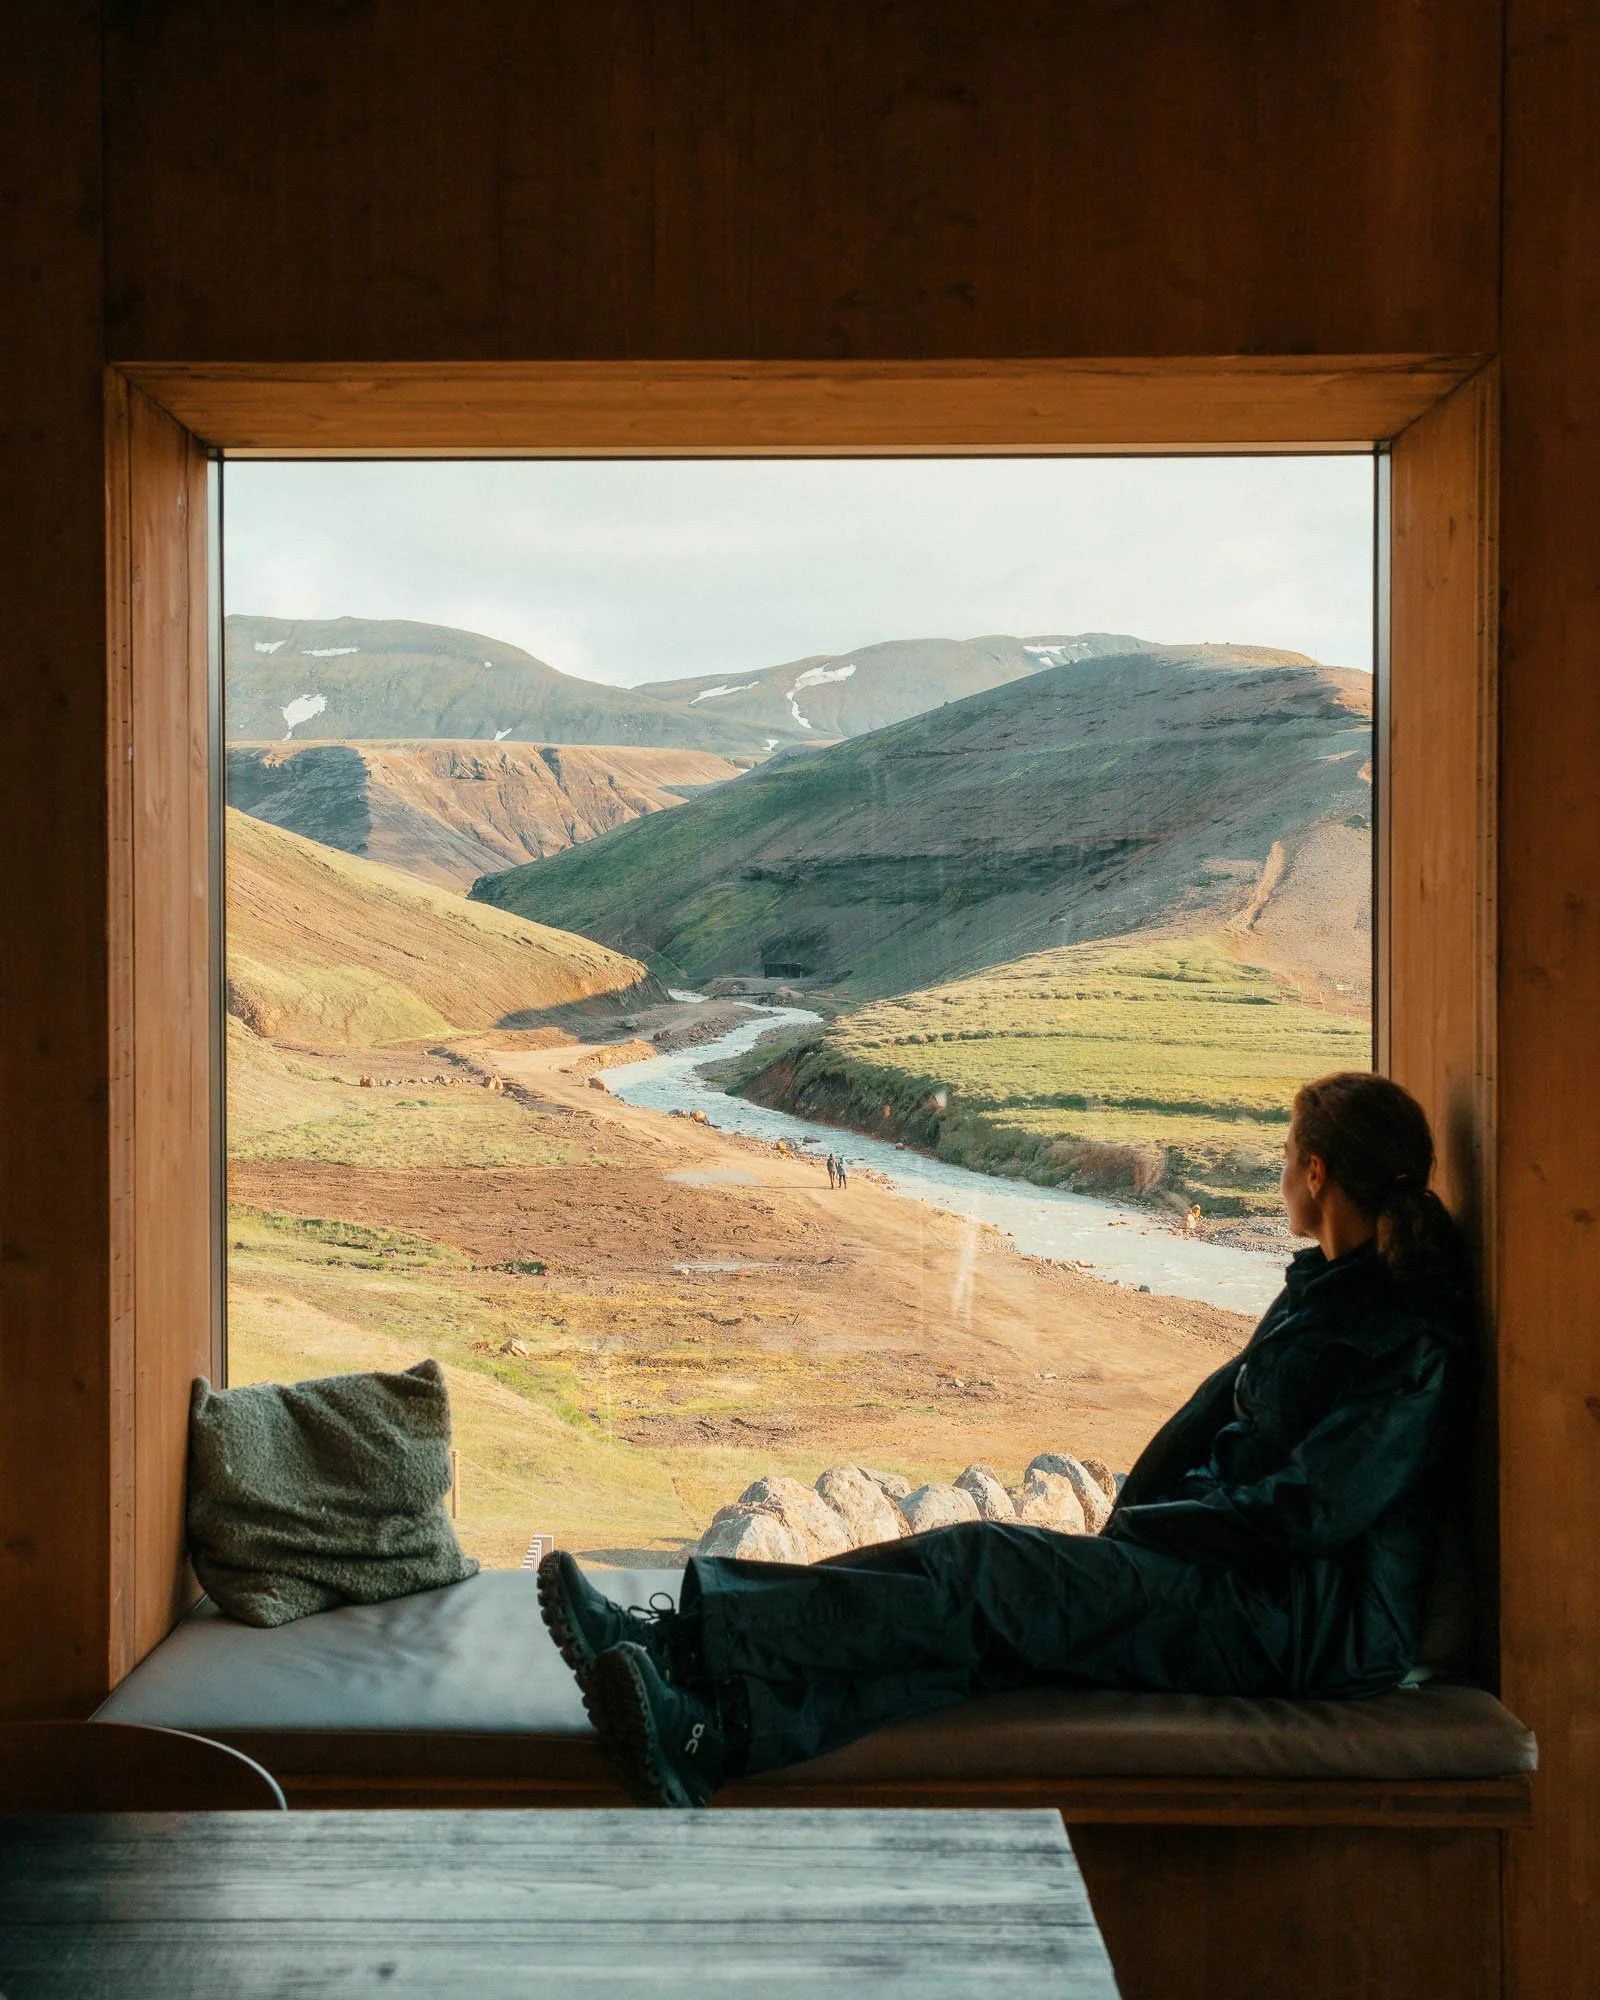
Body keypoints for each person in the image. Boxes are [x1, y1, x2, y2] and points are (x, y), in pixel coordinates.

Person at [539, 1071, 1474, 1807]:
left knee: (980, 1567)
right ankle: (711, 1733)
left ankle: (683, 1646)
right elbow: (1234, 1429)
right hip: (1259, 1590)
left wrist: (1158, 1532)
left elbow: (1313, 1508)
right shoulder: (1335, 1291)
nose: (1279, 1177)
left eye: (1284, 1157)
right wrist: (1151, 1523)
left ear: (1315, 1173)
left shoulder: (1407, 1332)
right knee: (978, 1641)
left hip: (1305, 1625)